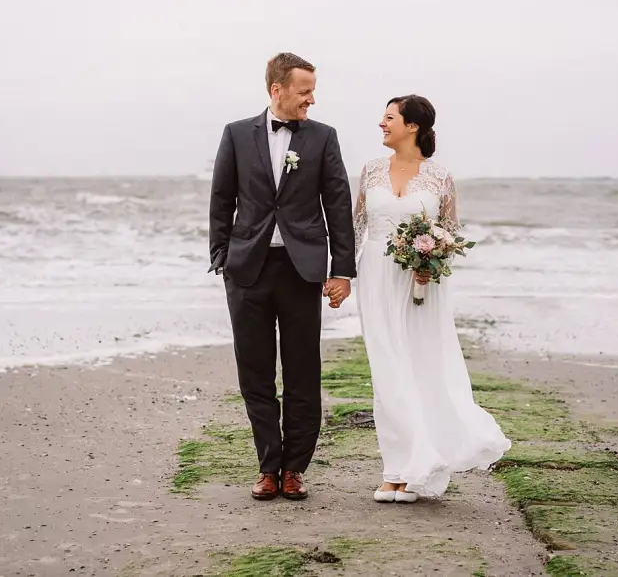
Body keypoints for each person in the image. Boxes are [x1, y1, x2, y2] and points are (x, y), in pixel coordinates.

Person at [343, 94, 511, 503]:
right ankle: (395, 470)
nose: (381, 124)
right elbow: (356, 227)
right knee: (387, 369)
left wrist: (430, 260)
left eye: (388, 118)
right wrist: (341, 275)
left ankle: (419, 464)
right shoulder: (370, 170)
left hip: (422, 284)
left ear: (412, 125)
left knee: (421, 366)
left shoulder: (439, 176)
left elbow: (449, 232)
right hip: (377, 277)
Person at [208, 52, 357, 501]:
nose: (312, 98)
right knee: (254, 374)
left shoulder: (323, 138)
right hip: (247, 270)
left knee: (302, 374)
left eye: (312, 90)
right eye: (304, 90)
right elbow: (221, 198)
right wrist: (221, 257)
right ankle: (268, 466)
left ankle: (295, 468)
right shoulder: (236, 134)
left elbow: (338, 204)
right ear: (278, 89)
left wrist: (342, 270)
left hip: (301, 271)